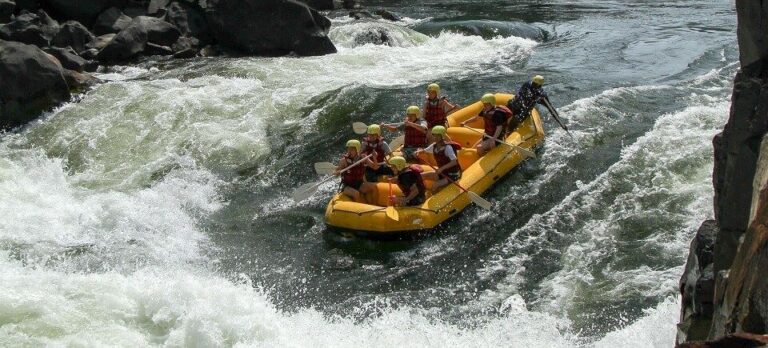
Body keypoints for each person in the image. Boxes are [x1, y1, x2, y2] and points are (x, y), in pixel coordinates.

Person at [415, 126, 461, 193]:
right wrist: (417, 152)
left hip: (452, 175)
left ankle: (432, 197)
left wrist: (441, 168)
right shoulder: (434, 146)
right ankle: (421, 191)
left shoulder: (448, 148)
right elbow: (424, 151)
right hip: (442, 173)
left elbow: (454, 162)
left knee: (435, 185)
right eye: (434, 135)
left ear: (442, 136)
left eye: (438, 136)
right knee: (421, 176)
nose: (435, 137)